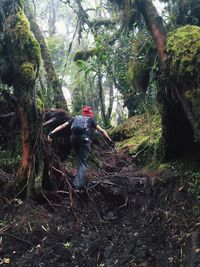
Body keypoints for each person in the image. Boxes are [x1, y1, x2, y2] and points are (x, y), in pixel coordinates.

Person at [47, 106, 113, 189]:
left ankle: (77, 175)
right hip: (84, 139)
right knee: (82, 163)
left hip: (73, 139)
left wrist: (51, 133)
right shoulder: (91, 120)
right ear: (90, 114)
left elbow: (63, 126)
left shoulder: (75, 118)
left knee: (79, 158)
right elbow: (102, 131)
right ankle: (77, 185)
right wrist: (110, 140)